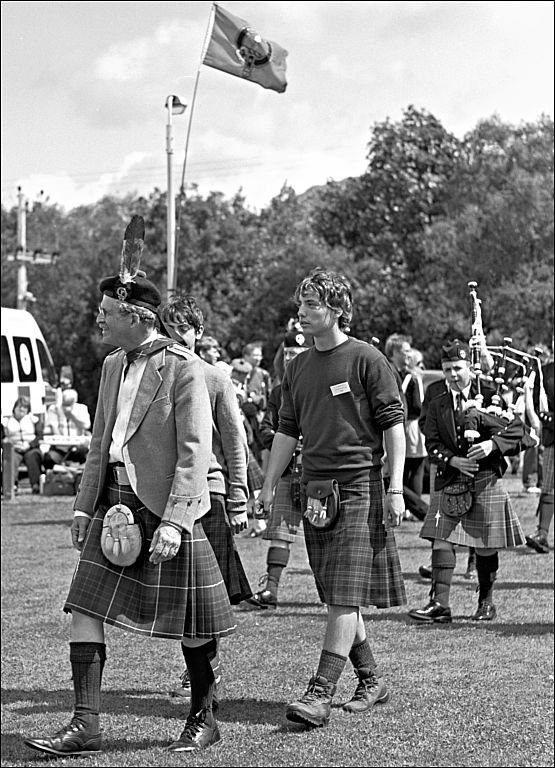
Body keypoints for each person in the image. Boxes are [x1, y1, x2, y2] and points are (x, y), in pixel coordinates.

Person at [24, 240, 235, 757]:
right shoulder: (112, 365)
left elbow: (194, 452)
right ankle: (85, 725)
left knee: (192, 620)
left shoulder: (184, 368)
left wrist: (176, 521)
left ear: (136, 316)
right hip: (114, 500)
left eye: (106, 312)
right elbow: (101, 441)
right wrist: (83, 505)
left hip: (165, 506)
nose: (99, 319)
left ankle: (203, 718)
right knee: (83, 606)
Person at [257, 268, 406, 728]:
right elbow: (286, 431)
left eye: (312, 305)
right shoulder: (296, 366)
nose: (301, 314)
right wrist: (268, 485)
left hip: (360, 486)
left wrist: (396, 488)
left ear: (338, 310)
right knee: (338, 595)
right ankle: (371, 680)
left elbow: (394, 426)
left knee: (342, 595)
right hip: (315, 491)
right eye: (300, 305)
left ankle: (320, 693)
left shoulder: (367, 359)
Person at [158, 294, 252, 699]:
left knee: (206, 592)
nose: (177, 336)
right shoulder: (157, 376)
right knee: (181, 592)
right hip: (169, 496)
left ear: (199, 331)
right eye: (169, 328)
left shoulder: (215, 378)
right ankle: (198, 668)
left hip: (209, 493)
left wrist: (238, 499)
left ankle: (204, 670)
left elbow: (234, 443)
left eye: (184, 328)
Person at [408, 340, 526, 625]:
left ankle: (486, 601)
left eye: (458, 368)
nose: (452, 374)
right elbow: (431, 440)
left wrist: (492, 445)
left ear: (470, 369)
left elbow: (519, 432)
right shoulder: (437, 397)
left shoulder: (490, 394)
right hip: (449, 475)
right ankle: (439, 604)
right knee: (441, 539)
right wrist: (452, 460)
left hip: (484, 478)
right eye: (447, 369)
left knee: (485, 544)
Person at [247, 328, 312, 610]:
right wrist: (287, 444)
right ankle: (270, 589)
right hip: (288, 472)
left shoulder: (321, 386)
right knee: (280, 532)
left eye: (295, 354)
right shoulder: (278, 392)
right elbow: (265, 429)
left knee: (327, 535)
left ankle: (336, 592)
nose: (289, 359)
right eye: (286, 354)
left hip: (319, 473)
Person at [525, 354, 554, 553]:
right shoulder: (545, 372)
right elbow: (537, 404)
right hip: (552, 435)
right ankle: (542, 534)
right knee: (549, 486)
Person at [2, 396, 44, 494]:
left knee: (33, 456)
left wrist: (30, 445)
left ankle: (36, 485)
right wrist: (10, 444)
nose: (22, 409)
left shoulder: (34, 420)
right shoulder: (5, 422)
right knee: (11, 457)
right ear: (14, 408)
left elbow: (40, 436)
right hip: (14, 448)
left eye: (25, 407)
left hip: (30, 448)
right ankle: (11, 485)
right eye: (19, 407)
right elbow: (2, 438)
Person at [43, 388, 91, 469]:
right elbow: (53, 428)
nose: (66, 407)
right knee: (49, 458)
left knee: (87, 456)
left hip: (78, 447)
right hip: (60, 448)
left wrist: (72, 416)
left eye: (69, 404)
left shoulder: (82, 408)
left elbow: (86, 425)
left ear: (74, 401)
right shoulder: (54, 409)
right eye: (65, 404)